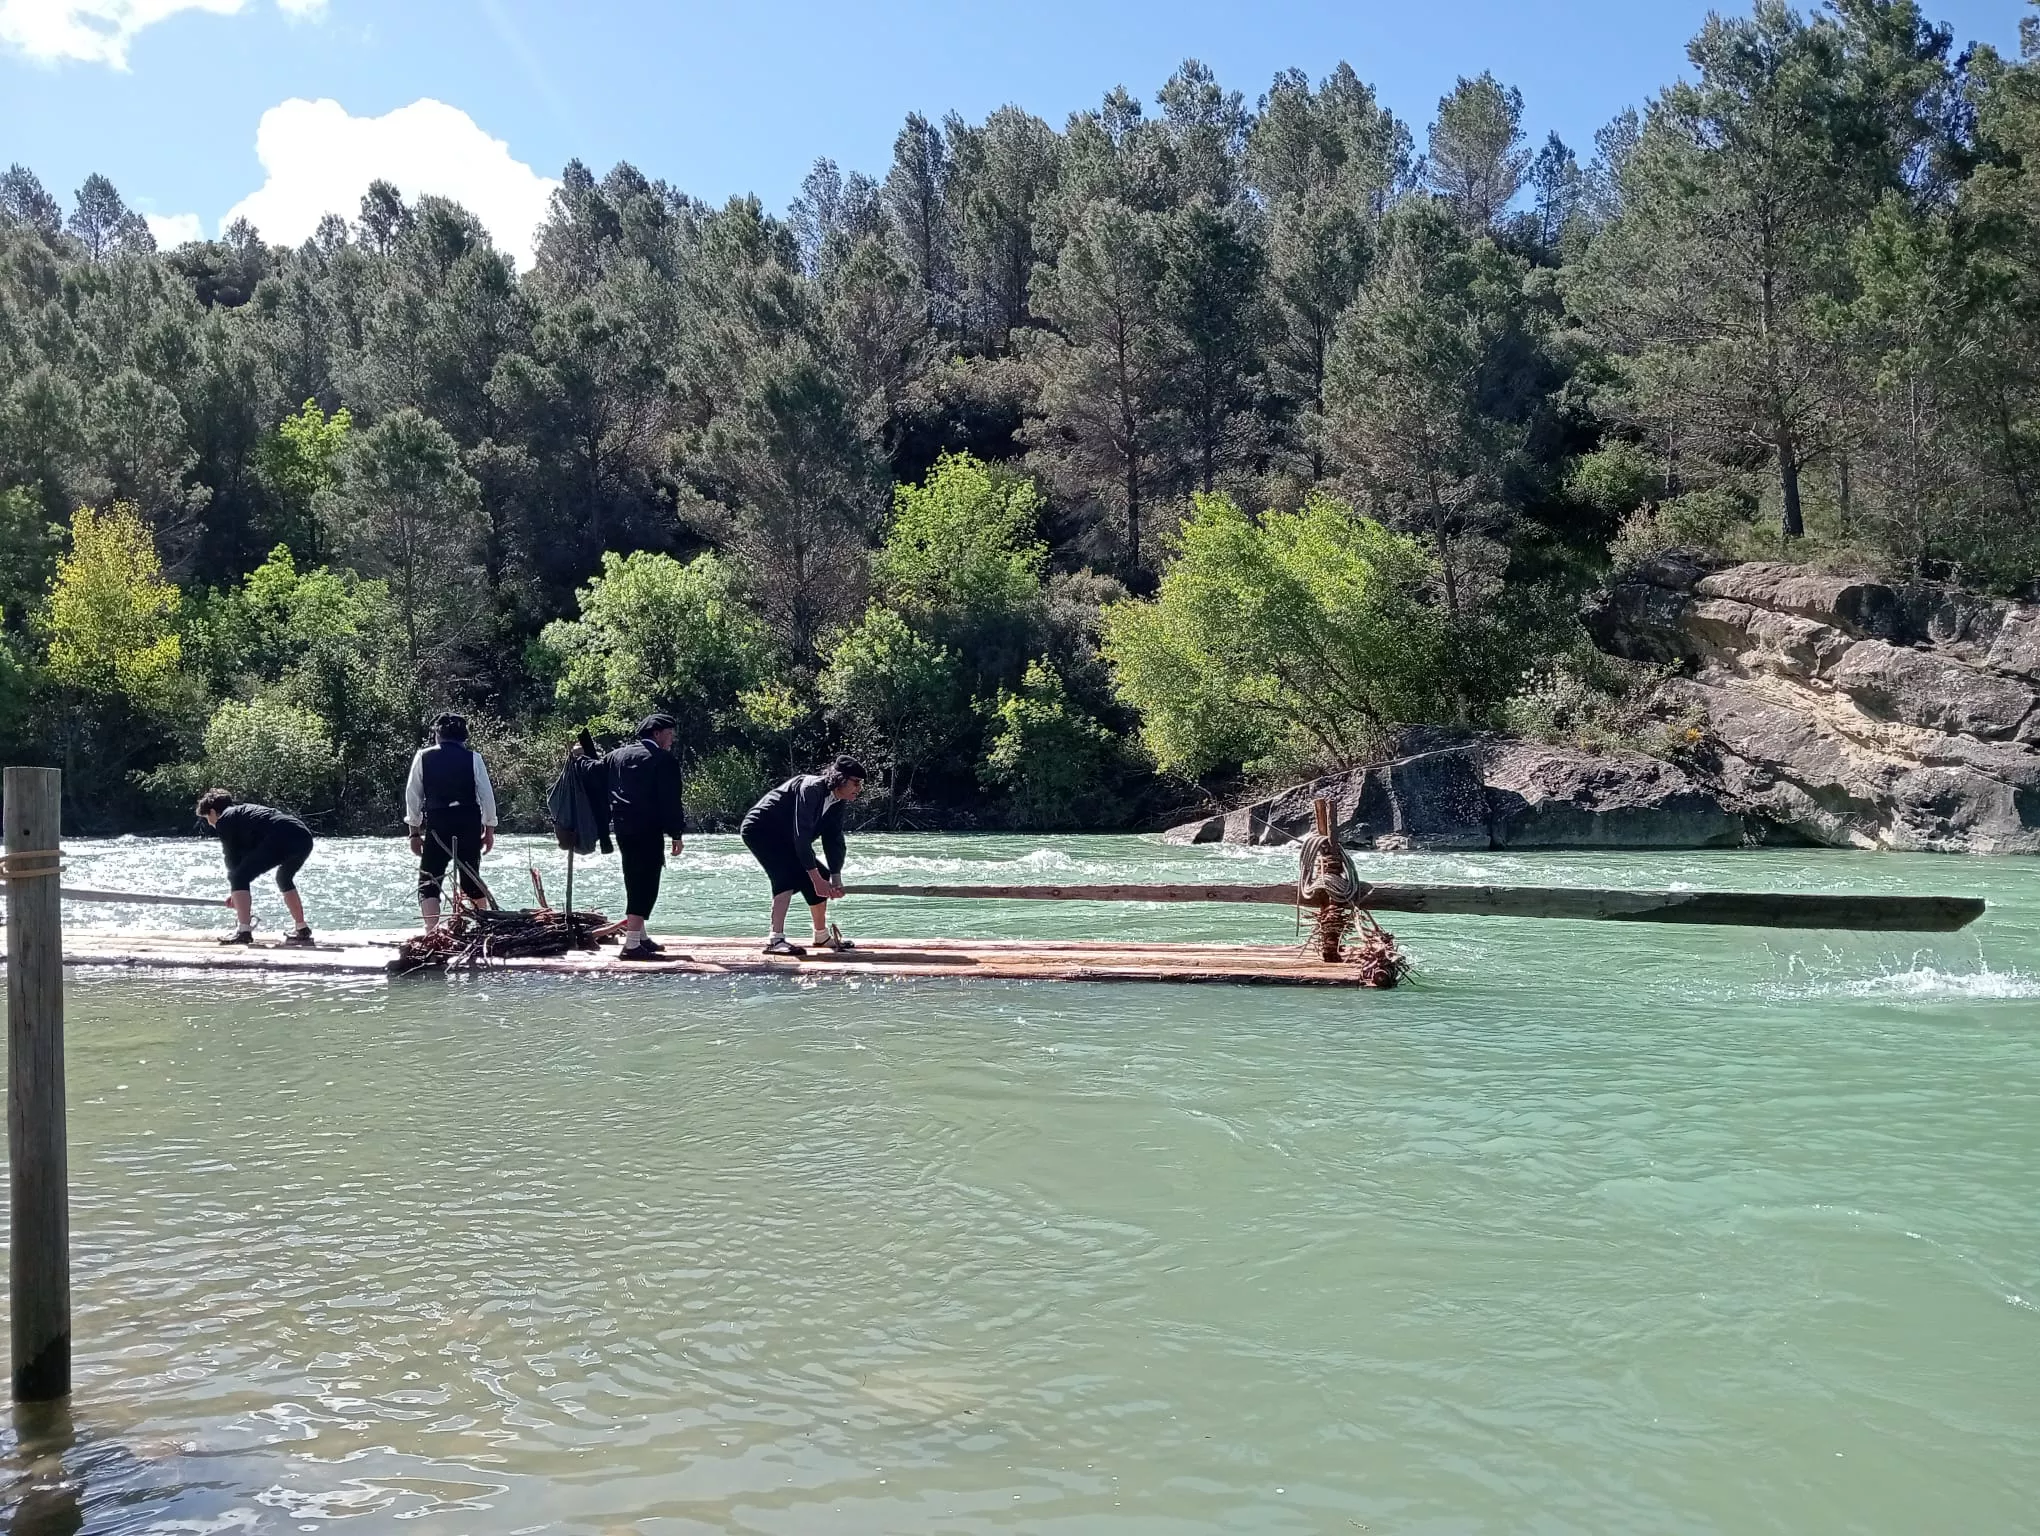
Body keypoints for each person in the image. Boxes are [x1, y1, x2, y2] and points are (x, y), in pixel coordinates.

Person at [739, 755, 865, 955]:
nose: (858, 789)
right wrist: (815, 879)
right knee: (785, 876)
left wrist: (835, 878)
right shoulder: (811, 789)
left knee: (822, 876)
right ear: (840, 779)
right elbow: (801, 835)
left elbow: (833, 839)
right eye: (856, 783)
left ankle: (821, 936)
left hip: (786, 837)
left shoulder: (838, 801)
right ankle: (775, 940)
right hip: (761, 830)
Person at [404, 712, 498, 932]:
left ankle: (431, 930)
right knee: (470, 877)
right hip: (468, 821)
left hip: (439, 821)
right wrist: (489, 829)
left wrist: (414, 833)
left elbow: (413, 796)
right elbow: (487, 796)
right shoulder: (473, 758)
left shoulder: (423, 756)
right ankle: (482, 924)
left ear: (437, 734)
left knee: (429, 878)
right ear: (463, 736)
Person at [606, 713, 686, 960]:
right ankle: (631, 945)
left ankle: (640, 936)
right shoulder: (663, 761)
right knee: (646, 882)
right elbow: (670, 801)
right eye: (669, 734)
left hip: (621, 828)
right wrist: (676, 833)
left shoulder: (615, 756)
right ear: (656, 733)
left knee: (633, 877)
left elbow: (596, 778)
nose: (671, 739)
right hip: (648, 828)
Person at [197, 789, 316, 946]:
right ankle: (302, 928)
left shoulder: (224, 819)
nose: (210, 823)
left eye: (208, 818)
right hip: (303, 836)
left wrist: (236, 889)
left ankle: (244, 932)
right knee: (284, 878)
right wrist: (238, 893)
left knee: (238, 877)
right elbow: (247, 854)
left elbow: (232, 858)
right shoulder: (243, 814)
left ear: (212, 811)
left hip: (281, 836)